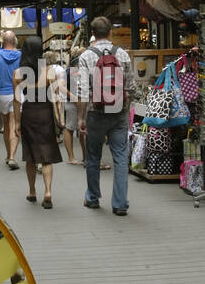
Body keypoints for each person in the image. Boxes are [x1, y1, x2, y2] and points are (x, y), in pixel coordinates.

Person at [75, 15, 133, 215]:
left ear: (92, 34)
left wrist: (80, 117)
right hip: (119, 113)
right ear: (110, 32)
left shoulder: (86, 56)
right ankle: (119, 204)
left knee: (93, 157)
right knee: (120, 157)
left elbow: (82, 90)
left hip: (95, 112)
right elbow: (131, 87)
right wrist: (126, 108)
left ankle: (92, 198)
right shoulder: (123, 55)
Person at [13, 34, 62, 208]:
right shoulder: (49, 71)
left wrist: (17, 123)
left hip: (29, 114)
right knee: (46, 155)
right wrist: (59, 118)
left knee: (31, 156)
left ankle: (32, 191)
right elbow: (56, 97)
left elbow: (17, 100)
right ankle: (48, 191)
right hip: (45, 113)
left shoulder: (18, 73)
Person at [0, 31, 22, 168]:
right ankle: (13, 156)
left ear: (3, 42)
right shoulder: (21, 55)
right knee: (14, 125)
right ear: (14, 41)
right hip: (17, 93)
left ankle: (8, 155)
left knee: (6, 126)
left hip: (2, 94)